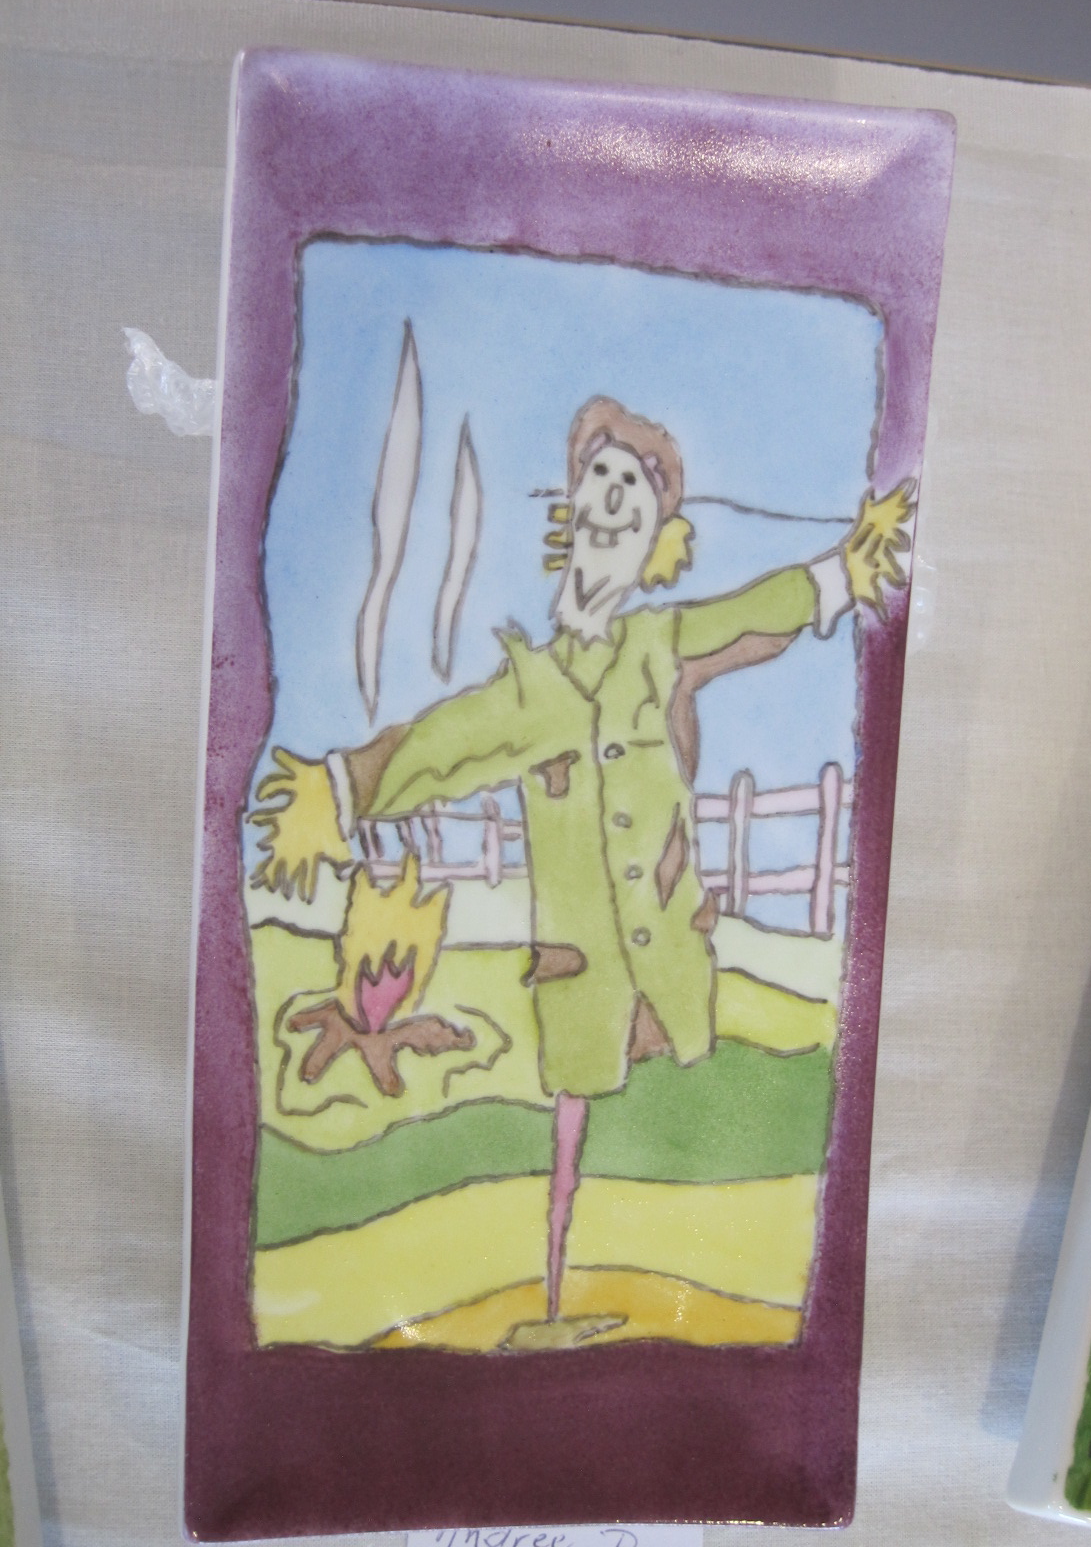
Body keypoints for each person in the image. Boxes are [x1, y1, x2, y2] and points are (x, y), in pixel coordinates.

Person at [251, 394, 911, 1347]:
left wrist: (839, 576)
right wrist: (342, 790)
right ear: (569, 513)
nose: (610, 501)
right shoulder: (533, 689)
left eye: (633, 494)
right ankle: (553, 1307)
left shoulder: (656, 647)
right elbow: (444, 743)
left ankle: (682, 1303)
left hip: (668, 958)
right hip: (581, 974)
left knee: (679, 1118)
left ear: (656, 543)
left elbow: (748, 617)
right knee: (567, 1125)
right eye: (599, 480)